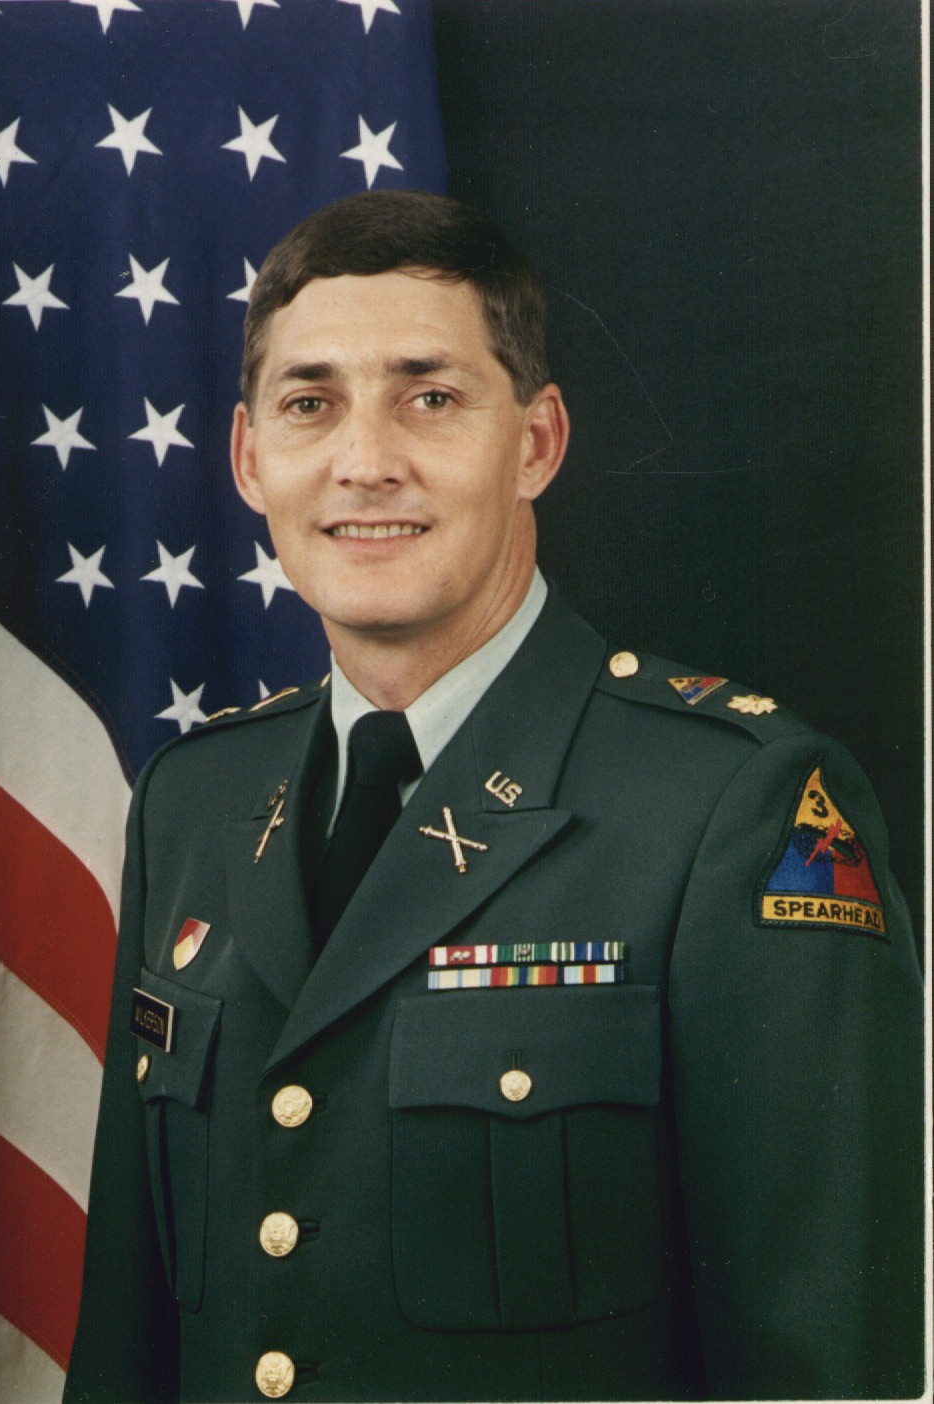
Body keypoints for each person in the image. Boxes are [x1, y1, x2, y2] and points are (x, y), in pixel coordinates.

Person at [65, 191, 924, 1403]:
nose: (366, 460)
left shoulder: (734, 805)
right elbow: (127, 1348)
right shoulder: (192, 799)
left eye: (430, 396)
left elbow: (828, 1360)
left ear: (536, 442)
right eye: (311, 403)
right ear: (250, 459)